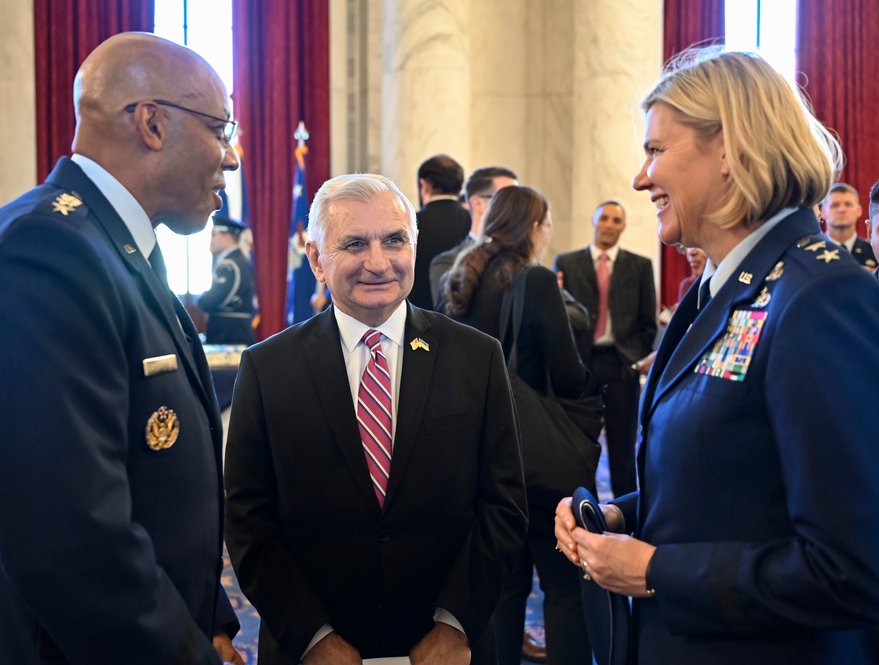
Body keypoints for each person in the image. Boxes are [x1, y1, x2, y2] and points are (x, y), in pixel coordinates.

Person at [555, 48, 879, 664]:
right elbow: (737, 483)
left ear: (728, 150)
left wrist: (656, 571)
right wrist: (624, 518)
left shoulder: (821, 295)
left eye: (655, 150)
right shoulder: (720, 289)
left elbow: (852, 566)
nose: (640, 177)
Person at [0, 33, 244, 664]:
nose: (233, 157)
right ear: (152, 123)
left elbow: (159, 486)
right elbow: (73, 543)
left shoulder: (110, 248)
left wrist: (209, 618)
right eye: (220, 128)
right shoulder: (42, 257)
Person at [225, 173, 528, 665]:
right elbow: (247, 521)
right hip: (311, 650)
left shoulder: (477, 357)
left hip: (448, 649)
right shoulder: (267, 369)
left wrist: (454, 625)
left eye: (394, 240)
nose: (378, 263)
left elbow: (504, 505)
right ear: (316, 259)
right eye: (354, 244)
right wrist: (312, 636)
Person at [441, 185, 591, 665]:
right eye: (546, 225)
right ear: (533, 228)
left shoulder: (465, 274)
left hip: (482, 453)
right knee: (564, 587)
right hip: (539, 453)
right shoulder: (534, 280)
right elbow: (568, 374)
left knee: (504, 588)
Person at [554, 202, 656, 498]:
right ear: (594, 221)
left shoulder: (639, 266)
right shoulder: (567, 263)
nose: (610, 225)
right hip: (581, 365)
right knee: (579, 442)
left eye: (616, 220)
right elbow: (558, 318)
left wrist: (636, 358)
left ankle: (625, 508)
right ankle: (585, 505)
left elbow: (647, 321)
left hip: (622, 364)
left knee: (623, 446)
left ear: (623, 226)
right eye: (605, 219)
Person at [429, 166, 519, 304]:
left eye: (516, 201)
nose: (516, 208)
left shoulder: (522, 255)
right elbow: (449, 316)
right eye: (505, 200)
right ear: (477, 204)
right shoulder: (448, 262)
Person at [408, 154, 471, 310]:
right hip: (462, 313)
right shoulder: (474, 222)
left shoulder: (410, 223)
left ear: (424, 185)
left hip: (420, 315)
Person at [199, 193, 257, 346]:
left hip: (228, 334)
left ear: (227, 236)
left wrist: (201, 301)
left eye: (214, 234)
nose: (211, 240)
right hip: (236, 333)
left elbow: (213, 298)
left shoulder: (230, 265)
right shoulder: (239, 261)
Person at [821, 182, 877, 269]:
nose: (842, 210)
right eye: (835, 205)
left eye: (848, 204)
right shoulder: (812, 252)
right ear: (823, 212)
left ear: (859, 210)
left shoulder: (873, 250)